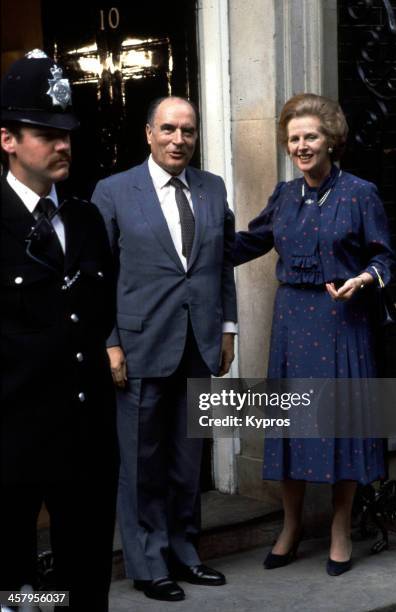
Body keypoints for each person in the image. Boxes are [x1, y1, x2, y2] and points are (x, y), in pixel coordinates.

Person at [233, 93, 396, 576]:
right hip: (292, 319)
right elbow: (251, 241)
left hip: (341, 321)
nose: (302, 146)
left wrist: (364, 279)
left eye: (311, 136)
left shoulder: (359, 193)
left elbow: (385, 258)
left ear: (330, 141)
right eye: (294, 139)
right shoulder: (285, 196)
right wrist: (195, 246)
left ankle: (340, 528)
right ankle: (291, 526)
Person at [92, 96, 237, 602]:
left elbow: (221, 263)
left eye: (189, 131)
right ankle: (148, 563)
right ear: (149, 133)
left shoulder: (213, 188)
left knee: (185, 459)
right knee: (141, 461)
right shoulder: (112, 192)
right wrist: (109, 343)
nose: (180, 139)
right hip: (137, 346)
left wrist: (228, 329)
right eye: (170, 129)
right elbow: (97, 278)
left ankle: (185, 553)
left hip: (198, 342)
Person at [0, 50, 118, 610]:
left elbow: (94, 319)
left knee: (86, 578)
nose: (63, 144)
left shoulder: (87, 219)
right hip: (14, 440)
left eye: (66, 132)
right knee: (15, 590)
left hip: (86, 438)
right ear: (8, 140)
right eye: (46, 132)